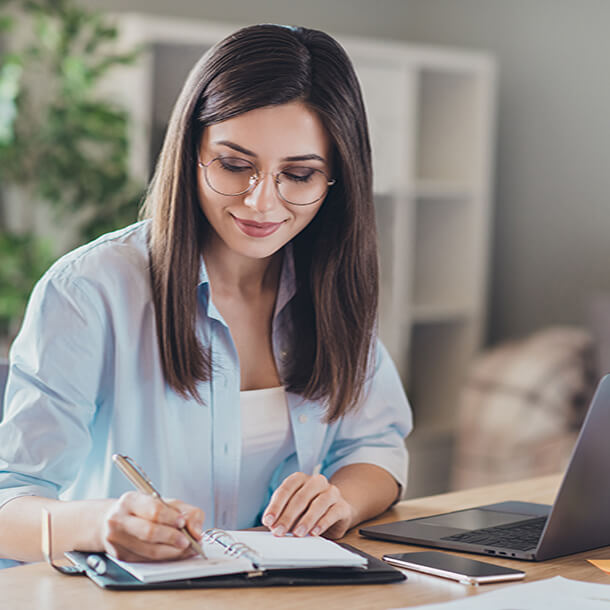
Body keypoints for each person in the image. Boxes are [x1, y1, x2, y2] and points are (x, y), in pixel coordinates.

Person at [0, 23, 412, 566]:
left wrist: (340, 500)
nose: (262, 202)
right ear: (190, 152)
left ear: (337, 180)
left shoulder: (330, 284)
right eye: (234, 165)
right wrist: (104, 524)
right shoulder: (89, 290)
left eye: (300, 174)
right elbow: (10, 503)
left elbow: (376, 448)